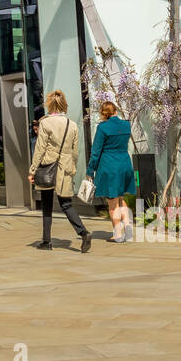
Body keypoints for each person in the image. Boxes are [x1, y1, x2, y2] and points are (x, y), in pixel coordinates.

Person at [27, 90, 91, 253]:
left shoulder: (45, 123)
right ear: (64, 105)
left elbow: (40, 149)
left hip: (48, 166)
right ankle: (83, 233)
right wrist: (73, 167)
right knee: (66, 204)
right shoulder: (72, 124)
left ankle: (46, 241)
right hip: (65, 167)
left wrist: (32, 170)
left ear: (49, 104)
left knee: (47, 204)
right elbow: (75, 152)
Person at [88, 102, 135, 242]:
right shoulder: (126, 125)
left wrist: (90, 170)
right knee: (121, 198)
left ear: (103, 113)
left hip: (109, 165)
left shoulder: (102, 128)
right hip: (125, 163)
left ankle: (118, 234)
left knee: (112, 201)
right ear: (115, 111)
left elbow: (96, 152)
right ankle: (127, 226)